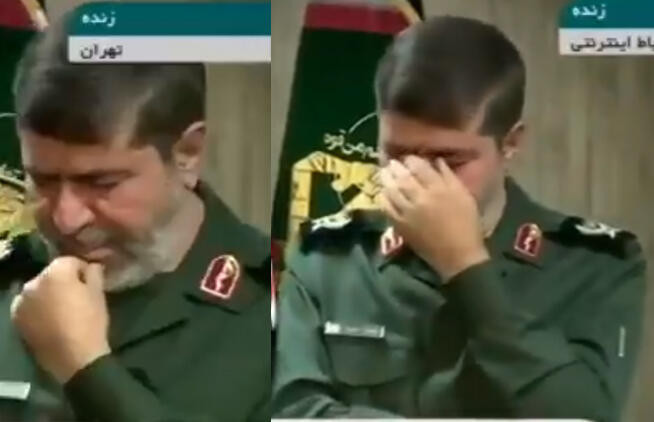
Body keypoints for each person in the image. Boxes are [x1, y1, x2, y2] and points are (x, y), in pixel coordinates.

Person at [272, 16, 646, 421]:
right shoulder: (327, 257)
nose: (415, 177)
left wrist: (465, 264)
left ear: (510, 143)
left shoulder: (596, 265)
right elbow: (295, 410)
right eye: (395, 154)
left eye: (449, 160)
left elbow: (583, 413)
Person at [0, 15, 270, 422]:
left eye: (101, 183)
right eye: (42, 180)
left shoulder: (280, 307)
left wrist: (86, 370)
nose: (67, 219)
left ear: (187, 153)